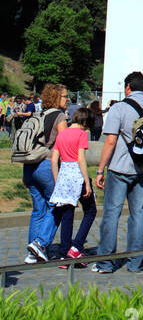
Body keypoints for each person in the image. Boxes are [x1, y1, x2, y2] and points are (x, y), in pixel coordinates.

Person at [91, 72, 143, 275]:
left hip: (120, 167)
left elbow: (110, 141)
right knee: (137, 213)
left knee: (112, 214)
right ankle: (136, 263)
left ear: (127, 87)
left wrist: (100, 169)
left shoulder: (119, 108)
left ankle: (105, 262)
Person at [21, 84, 69, 263]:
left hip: (29, 165)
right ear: (57, 97)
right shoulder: (59, 116)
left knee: (38, 210)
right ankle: (41, 243)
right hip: (47, 165)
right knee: (57, 204)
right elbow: (64, 144)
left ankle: (32, 251)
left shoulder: (38, 114)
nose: (67, 99)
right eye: (65, 96)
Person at [49, 105, 97, 266]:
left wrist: (57, 181)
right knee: (90, 210)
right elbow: (81, 159)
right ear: (86, 123)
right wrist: (87, 182)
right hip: (77, 175)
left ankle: (64, 255)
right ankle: (76, 246)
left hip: (64, 175)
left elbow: (54, 160)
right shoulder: (81, 134)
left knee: (66, 215)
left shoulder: (62, 134)